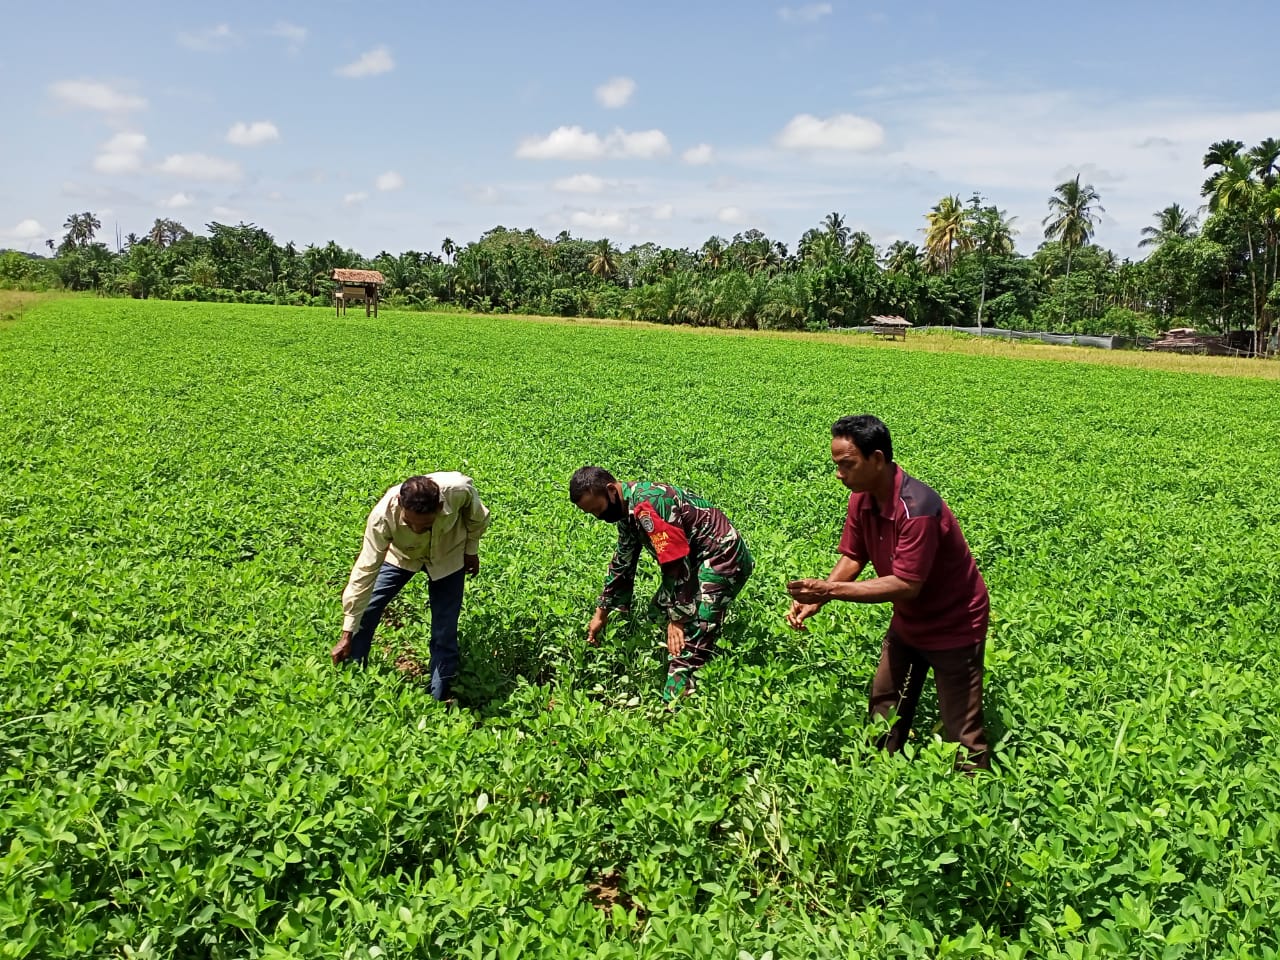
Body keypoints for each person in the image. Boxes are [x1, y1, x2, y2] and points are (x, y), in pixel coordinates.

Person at [786, 415, 991, 770]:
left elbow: (907, 585)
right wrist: (817, 598)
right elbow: (855, 554)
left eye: (846, 465)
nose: (839, 474)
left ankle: (976, 796)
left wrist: (831, 590)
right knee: (885, 701)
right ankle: (881, 777)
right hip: (909, 621)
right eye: (836, 465)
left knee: (961, 726)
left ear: (877, 459)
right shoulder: (862, 500)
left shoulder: (918, 509)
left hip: (955, 624)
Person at [569, 466, 754, 703]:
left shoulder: (650, 506)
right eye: (590, 513)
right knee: (656, 613)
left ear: (611, 491)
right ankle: (678, 653)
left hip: (722, 558)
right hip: (693, 562)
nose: (597, 516)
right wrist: (601, 613)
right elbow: (622, 564)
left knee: (692, 631)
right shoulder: (627, 512)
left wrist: (678, 618)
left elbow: (676, 564)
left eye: (597, 509)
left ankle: (676, 704)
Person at [332, 473, 491, 701]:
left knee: (444, 629)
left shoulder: (458, 491)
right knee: (368, 607)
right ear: (400, 504)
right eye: (410, 523)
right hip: (402, 556)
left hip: (448, 553)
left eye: (425, 525)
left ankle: (438, 697)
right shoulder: (382, 517)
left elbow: (478, 518)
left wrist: (471, 551)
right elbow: (364, 572)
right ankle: (352, 681)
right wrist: (347, 632)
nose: (417, 530)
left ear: (439, 507)